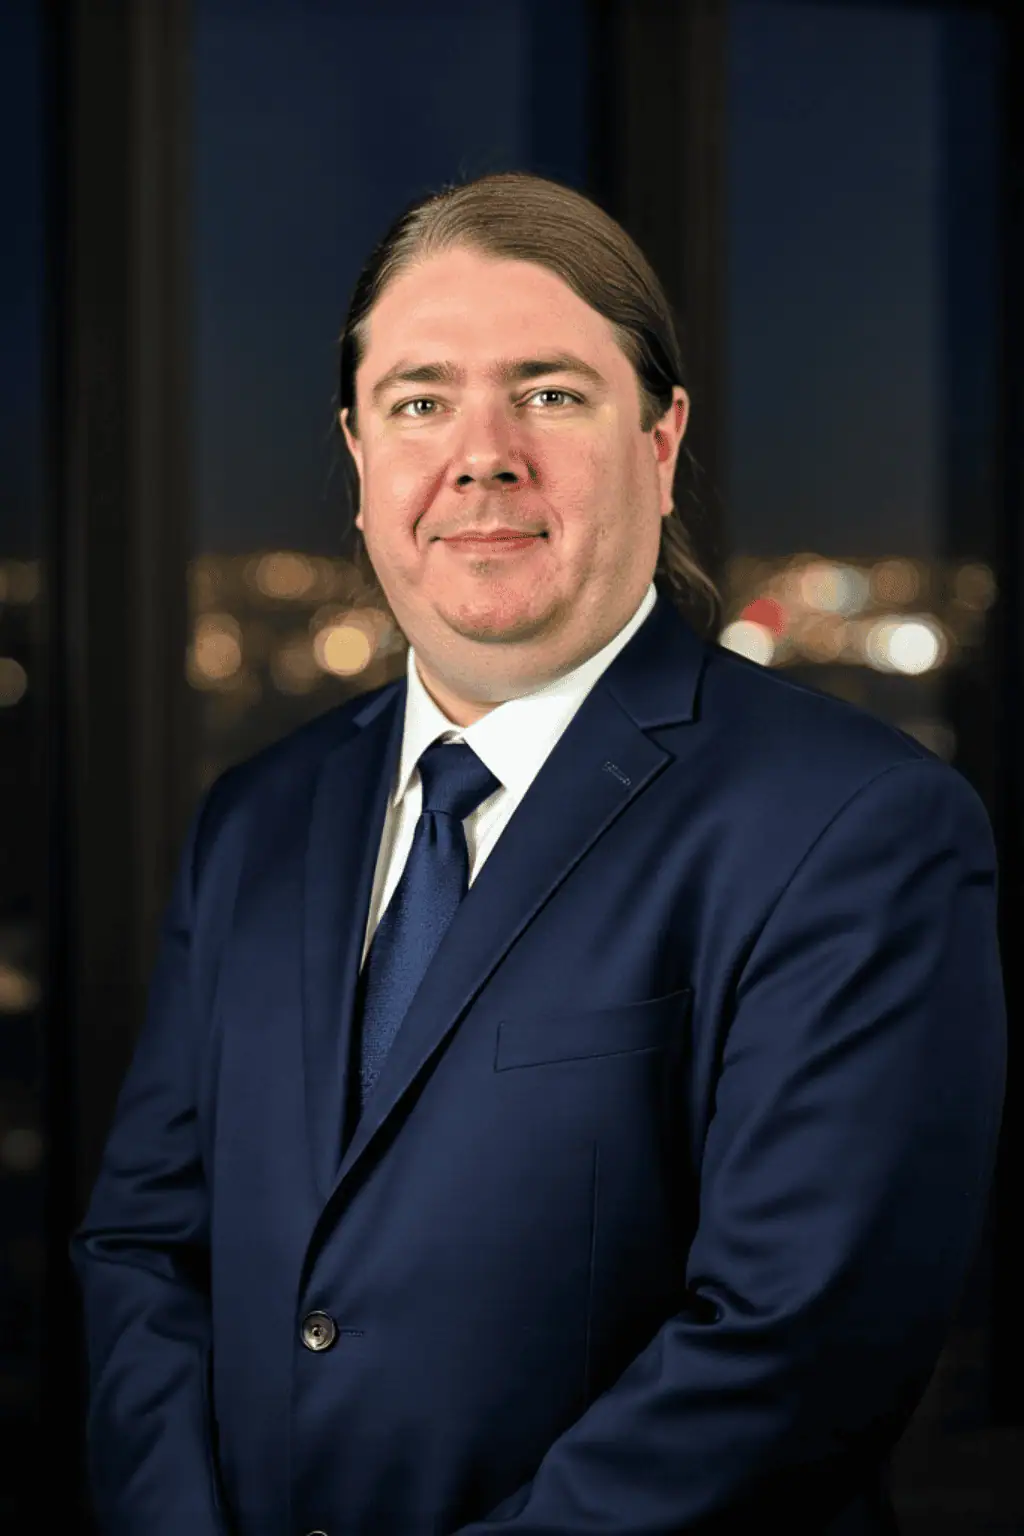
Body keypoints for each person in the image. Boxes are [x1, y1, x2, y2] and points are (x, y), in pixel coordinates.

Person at [72, 172, 1006, 1536]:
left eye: (552, 393)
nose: (482, 452)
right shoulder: (256, 823)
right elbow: (147, 1253)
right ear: (358, 456)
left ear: (662, 440)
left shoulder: (855, 828)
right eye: (419, 399)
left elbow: (789, 1355)